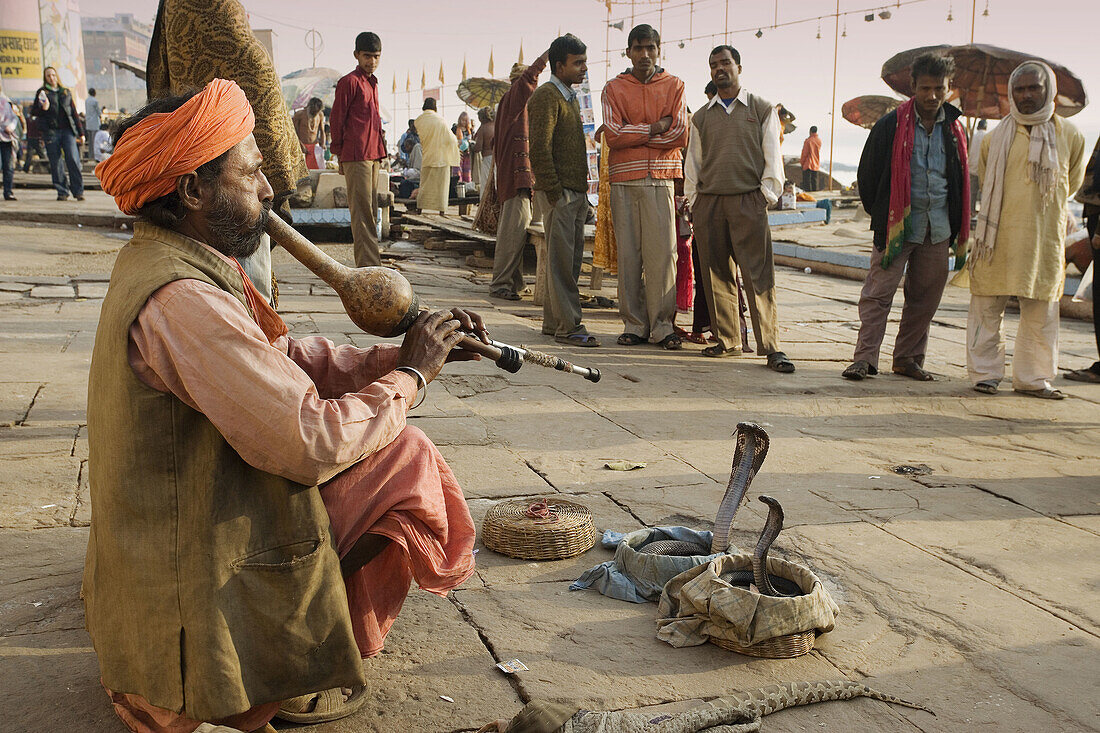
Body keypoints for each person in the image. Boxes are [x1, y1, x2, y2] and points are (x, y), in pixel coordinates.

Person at [89, 79, 481, 732]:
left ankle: (298, 633)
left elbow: (285, 362)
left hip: (179, 525)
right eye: (251, 174)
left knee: (383, 437)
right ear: (192, 190)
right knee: (405, 458)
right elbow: (310, 440)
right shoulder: (184, 299)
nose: (270, 191)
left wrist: (398, 355)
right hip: (182, 603)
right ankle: (280, 661)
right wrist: (410, 377)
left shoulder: (169, 259)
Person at [148, 0, 310, 303]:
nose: (267, 188)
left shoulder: (251, 65)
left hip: (226, 209)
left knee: (250, 298)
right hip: (207, 210)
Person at [844, 52, 970, 382]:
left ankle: (908, 359)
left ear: (949, 88)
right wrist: (885, 216)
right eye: (925, 88)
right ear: (913, 86)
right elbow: (867, 176)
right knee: (877, 294)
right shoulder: (890, 125)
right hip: (897, 226)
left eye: (938, 89)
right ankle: (865, 358)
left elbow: (959, 180)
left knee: (925, 298)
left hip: (938, 228)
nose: (931, 96)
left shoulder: (955, 129)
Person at [967, 61, 1086, 399]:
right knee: (987, 307)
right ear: (1010, 95)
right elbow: (987, 179)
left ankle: (1033, 379)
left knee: (1042, 311)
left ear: (1051, 91)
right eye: (1019, 89)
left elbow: (1073, 183)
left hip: (1044, 239)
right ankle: (985, 374)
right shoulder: (993, 139)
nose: (1027, 95)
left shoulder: (1070, 134)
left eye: (1034, 88)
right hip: (996, 238)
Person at [684, 45, 793, 371]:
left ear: (739, 67)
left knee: (759, 275)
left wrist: (765, 196)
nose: (720, 69)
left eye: (725, 63)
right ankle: (728, 342)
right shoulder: (702, 117)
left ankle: (771, 347)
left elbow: (773, 157)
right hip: (710, 204)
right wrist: (696, 202)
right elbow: (694, 165)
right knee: (716, 276)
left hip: (749, 201)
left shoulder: (760, 109)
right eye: (714, 64)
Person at [600, 23, 688, 350]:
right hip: (625, 179)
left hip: (662, 179)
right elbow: (613, 135)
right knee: (629, 256)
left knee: (663, 257)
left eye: (650, 47)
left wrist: (635, 134)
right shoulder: (613, 88)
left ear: (659, 49)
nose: (645, 55)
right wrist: (655, 128)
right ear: (628, 52)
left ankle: (663, 326)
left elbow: (679, 134)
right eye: (638, 48)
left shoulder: (675, 86)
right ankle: (634, 324)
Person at [528, 34, 599, 347]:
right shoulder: (546, 96)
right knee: (561, 265)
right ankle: (570, 327)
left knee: (567, 263)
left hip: (573, 192)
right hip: (560, 193)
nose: (584, 69)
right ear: (560, 65)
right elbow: (540, 149)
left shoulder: (567, 95)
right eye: (578, 63)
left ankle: (554, 323)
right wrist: (555, 191)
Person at [489, 53, 548, 301]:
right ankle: (500, 283)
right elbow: (528, 78)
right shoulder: (515, 98)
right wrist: (547, 56)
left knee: (517, 233)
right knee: (512, 233)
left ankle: (514, 281)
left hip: (519, 178)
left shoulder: (512, 107)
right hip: (516, 179)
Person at [331, 31, 388, 267]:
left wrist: (382, 153)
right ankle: (368, 267)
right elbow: (337, 119)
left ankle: (372, 264)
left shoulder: (372, 83)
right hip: (356, 156)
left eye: (376, 56)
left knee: (371, 212)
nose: (371, 61)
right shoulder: (349, 82)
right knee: (363, 215)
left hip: (373, 155)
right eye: (367, 56)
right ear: (356, 55)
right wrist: (339, 155)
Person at [31, 66, 85, 201]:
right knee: (56, 162)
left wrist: (81, 132)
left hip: (68, 131)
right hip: (51, 132)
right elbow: (34, 112)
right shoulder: (42, 92)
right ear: (45, 78)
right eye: (48, 76)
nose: (51, 78)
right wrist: (43, 108)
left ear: (57, 77)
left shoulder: (65, 92)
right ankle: (62, 191)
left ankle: (78, 191)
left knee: (73, 159)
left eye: (53, 75)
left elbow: (73, 113)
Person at [414, 97, 460, 213]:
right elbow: (451, 139)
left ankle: (420, 208)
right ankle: (441, 210)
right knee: (441, 186)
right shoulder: (440, 120)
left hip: (427, 156)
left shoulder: (418, 120)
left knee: (425, 184)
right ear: (435, 107)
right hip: (441, 157)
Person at [0, 79, 25, 201]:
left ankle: (8, 191)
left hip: (6, 138)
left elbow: (14, 118)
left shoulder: (6, 102)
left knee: (8, 166)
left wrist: (11, 126)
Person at [293, 96, 327, 169]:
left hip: (315, 147)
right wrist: (300, 145)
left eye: (318, 111)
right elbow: (293, 132)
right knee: (302, 170)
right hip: (301, 147)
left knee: (317, 170)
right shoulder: (299, 114)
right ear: (310, 107)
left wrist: (323, 143)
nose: (316, 113)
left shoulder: (320, 114)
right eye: (315, 111)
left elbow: (322, 131)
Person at [471, 106, 495, 188]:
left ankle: (486, 200)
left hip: (487, 158)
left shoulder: (483, 129)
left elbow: (478, 148)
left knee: (486, 184)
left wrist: (472, 146)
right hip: (497, 157)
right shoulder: (495, 125)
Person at [969, 118, 987, 217]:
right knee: (984, 192)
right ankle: (983, 213)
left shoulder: (973, 136)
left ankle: (971, 211)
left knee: (973, 192)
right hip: (983, 169)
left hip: (972, 167)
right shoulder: (987, 136)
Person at [454, 110, 474, 183]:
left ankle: (467, 184)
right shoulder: (455, 129)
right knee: (458, 170)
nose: (463, 122)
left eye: (465, 121)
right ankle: (459, 183)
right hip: (458, 153)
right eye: (462, 120)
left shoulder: (469, 130)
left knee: (467, 170)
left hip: (467, 153)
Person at [800, 125, 821, 191]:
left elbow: (805, 153)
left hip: (808, 163)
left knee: (807, 182)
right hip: (816, 163)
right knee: (814, 181)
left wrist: (802, 162)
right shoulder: (819, 140)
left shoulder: (808, 141)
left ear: (810, 131)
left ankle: (808, 195)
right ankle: (815, 194)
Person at [85, 87, 101, 160]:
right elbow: (98, 112)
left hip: (88, 123)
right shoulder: (95, 101)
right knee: (95, 141)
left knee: (90, 142)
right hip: (94, 123)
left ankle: (90, 155)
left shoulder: (86, 100)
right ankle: (95, 156)